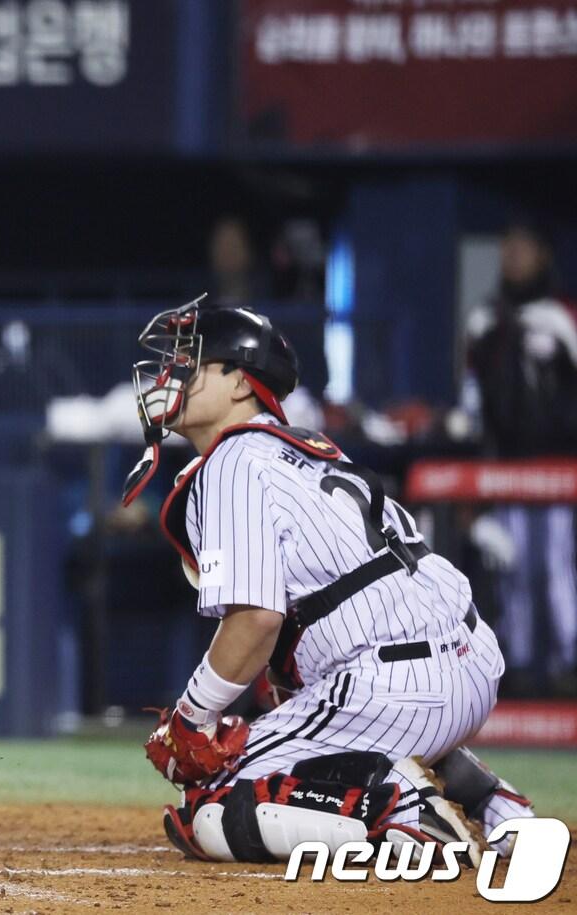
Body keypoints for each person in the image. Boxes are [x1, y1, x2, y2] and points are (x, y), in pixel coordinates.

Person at [123, 299, 533, 865]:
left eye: (193, 363)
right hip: (468, 662)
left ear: (242, 385)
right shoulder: (305, 449)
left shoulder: (233, 459)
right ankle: (497, 806)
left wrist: (193, 717)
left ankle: (401, 812)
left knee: (209, 807)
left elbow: (256, 619)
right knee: (306, 726)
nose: (173, 374)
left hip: (395, 681)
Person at [465, 219, 577, 695]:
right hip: (502, 468)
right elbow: (471, 400)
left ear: (543, 255)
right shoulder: (485, 319)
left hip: (560, 467)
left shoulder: (562, 315)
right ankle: (520, 667)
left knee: (554, 565)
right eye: (507, 245)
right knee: (508, 567)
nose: (513, 254)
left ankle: (565, 664)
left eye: (524, 246)